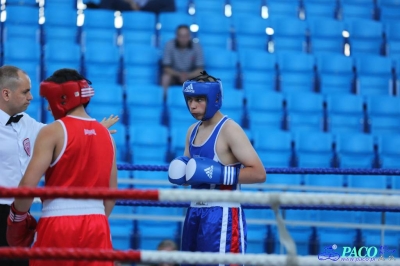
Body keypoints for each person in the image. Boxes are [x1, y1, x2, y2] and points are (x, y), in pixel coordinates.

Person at [0, 65, 118, 266]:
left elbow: (66, 134)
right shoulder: (105, 136)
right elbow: (112, 193)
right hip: (96, 223)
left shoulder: (44, 129)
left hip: (52, 219)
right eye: (26, 92)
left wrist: (17, 219)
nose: (40, 103)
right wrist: (96, 130)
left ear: (61, 97)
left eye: (47, 99)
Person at [167, 71, 266, 265]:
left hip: (223, 216)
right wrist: (182, 174)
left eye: (199, 99)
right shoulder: (192, 130)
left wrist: (220, 174)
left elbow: (258, 172)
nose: (192, 106)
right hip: (194, 211)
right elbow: (192, 175)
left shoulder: (230, 130)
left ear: (214, 98)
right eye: (189, 100)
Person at [161, 25, 204, 101]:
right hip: (174, 75)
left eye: (186, 36)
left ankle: (198, 105)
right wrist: (179, 75)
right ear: (176, 36)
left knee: (202, 79)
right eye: (181, 36)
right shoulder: (169, 45)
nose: (183, 39)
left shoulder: (197, 47)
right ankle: (164, 102)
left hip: (191, 76)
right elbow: (166, 68)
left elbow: (200, 69)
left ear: (189, 36)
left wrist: (187, 75)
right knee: (165, 78)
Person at [98, 0, 176, 13]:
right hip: (129, 6)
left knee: (169, 2)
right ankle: (102, 21)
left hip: (148, 6)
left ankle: (155, 21)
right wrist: (132, 3)